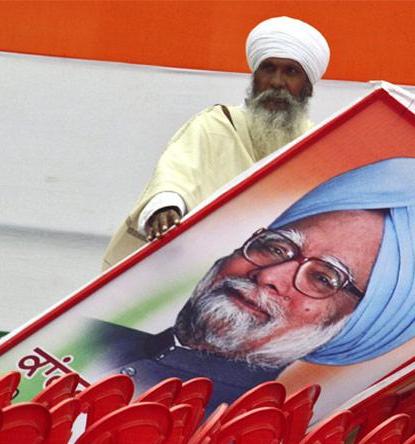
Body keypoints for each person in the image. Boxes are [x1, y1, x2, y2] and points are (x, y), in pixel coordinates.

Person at [90, 158, 415, 409]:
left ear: (355, 327)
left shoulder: (246, 440)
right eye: (276, 247)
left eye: (323, 278)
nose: (269, 276)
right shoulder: (86, 336)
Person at [102, 16, 331, 269]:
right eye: (268, 68)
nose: (276, 82)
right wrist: (166, 208)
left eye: (291, 72)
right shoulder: (216, 124)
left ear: (308, 87)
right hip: (197, 266)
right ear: (255, 78)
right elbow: (177, 173)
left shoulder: (319, 145)